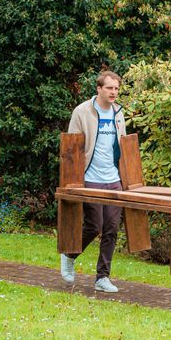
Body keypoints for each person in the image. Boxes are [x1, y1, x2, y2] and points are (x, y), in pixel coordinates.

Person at [60, 71, 127, 293]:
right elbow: (72, 147)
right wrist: (73, 180)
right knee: (94, 225)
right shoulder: (82, 111)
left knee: (112, 228)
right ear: (98, 89)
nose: (114, 92)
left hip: (113, 178)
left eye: (116, 89)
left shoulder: (118, 112)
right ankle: (70, 255)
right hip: (90, 178)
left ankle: (102, 277)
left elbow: (123, 144)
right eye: (109, 88)